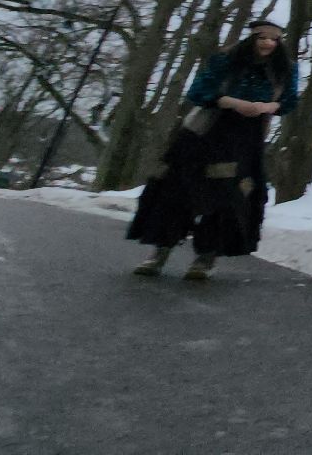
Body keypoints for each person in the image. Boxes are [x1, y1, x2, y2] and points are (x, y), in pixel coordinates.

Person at [127, 19, 299, 280]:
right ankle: (159, 252)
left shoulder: (285, 69)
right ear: (252, 38)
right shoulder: (225, 60)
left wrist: (266, 107)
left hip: (246, 138)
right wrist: (229, 101)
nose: (267, 43)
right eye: (262, 37)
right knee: (176, 190)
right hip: (206, 130)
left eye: (273, 39)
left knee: (229, 197)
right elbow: (198, 91)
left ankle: (206, 257)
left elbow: (288, 101)